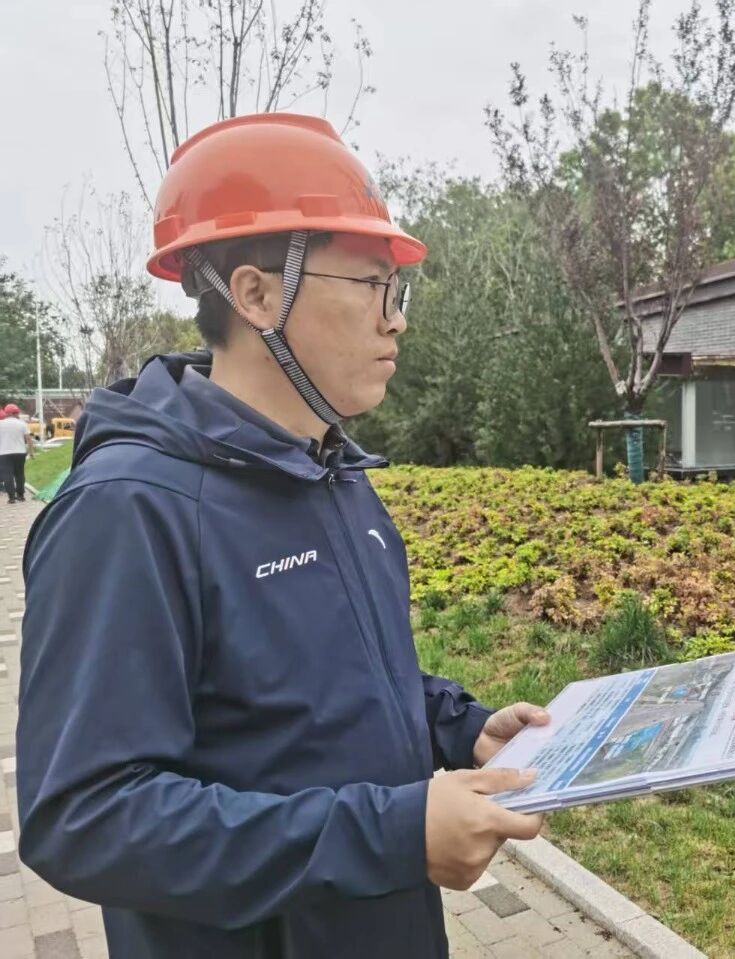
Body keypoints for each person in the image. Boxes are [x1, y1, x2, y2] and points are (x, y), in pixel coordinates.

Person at [17, 114, 550, 959]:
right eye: (372, 285)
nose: (396, 321)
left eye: (399, 291)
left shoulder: (334, 474)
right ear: (257, 294)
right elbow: (85, 814)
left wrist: (459, 727)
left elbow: (331, 680)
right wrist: (390, 833)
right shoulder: (130, 509)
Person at [0, 403, 34, 503]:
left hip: (4, 453)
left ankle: (11, 498)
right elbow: (29, 439)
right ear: (16, 413)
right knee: (20, 474)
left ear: (6, 413)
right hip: (20, 453)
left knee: (7, 475)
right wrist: (31, 452)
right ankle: (21, 495)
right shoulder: (22, 424)